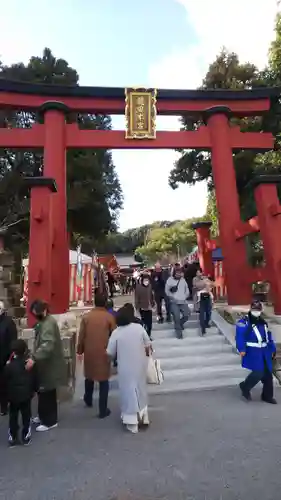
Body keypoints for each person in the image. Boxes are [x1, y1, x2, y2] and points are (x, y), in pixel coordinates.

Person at [107, 305, 152, 434]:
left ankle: (132, 422)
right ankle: (144, 416)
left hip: (125, 366)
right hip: (140, 364)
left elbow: (110, 352)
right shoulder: (138, 328)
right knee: (140, 389)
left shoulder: (117, 332)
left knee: (128, 392)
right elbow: (148, 343)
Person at [28, 299, 66, 432]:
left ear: (44, 310)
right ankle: (42, 415)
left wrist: (34, 357)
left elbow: (47, 344)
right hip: (45, 363)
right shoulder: (44, 321)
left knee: (47, 392)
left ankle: (50, 421)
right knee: (43, 391)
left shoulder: (48, 324)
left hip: (49, 363)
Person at [77, 294, 116, 418]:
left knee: (89, 376)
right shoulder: (109, 317)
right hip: (104, 351)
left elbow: (81, 335)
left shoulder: (86, 317)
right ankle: (103, 410)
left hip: (89, 351)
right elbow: (115, 334)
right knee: (103, 381)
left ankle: (88, 399)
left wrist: (79, 350)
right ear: (105, 303)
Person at [236, 300, 277, 404]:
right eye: (254, 309)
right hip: (252, 351)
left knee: (268, 374)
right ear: (250, 309)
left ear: (261, 310)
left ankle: (267, 396)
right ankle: (245, 386)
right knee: (259, 372)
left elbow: (269, 337)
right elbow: (240, 337)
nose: (256, 311)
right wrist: (241, 349)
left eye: (258, 309)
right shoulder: (244, 322)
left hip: (265, 351)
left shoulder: (263, 322)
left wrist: (272, 349)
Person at [4, 339, 36, 447]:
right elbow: (33, 379)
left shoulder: (9, 366)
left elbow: (4, 380)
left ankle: (13, 436)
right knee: (26, 415)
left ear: (13, 352)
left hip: (13, 396)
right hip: (26, 395)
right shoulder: (28, 365)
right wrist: (33, 391)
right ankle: (25, 435)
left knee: (13, 415)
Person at [0, 301, 18, 416]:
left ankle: (4, 406)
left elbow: (13, 341)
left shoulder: (8, 323)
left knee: (3, 383)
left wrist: (11, 357)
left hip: (4, 358)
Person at [165, 264, 190, 339]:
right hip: (174, 302)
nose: (178, 274)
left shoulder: (183, 280)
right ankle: (179, 334)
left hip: (183, 301)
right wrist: (172, 297)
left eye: (180, 273)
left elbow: (187, 289)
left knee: (187, 315)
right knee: (176, 317)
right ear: (174, 273)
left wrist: (185, 296)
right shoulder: (170, 280)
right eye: (177, 273)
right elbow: (167, 291)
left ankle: (180, 324)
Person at [134, 273, 154, 340]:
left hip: (149, 307)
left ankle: (148, 336)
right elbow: (136, 298)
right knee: (144, 323)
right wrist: (136, 308)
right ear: (142, 281)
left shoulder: (150, 286)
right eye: (145, 280)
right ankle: (144, 337)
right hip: (142, 308)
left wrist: (153, 304)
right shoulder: (138, 287)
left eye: (147, 280)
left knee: (150, 324)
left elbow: (151, 296)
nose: (146, 282)